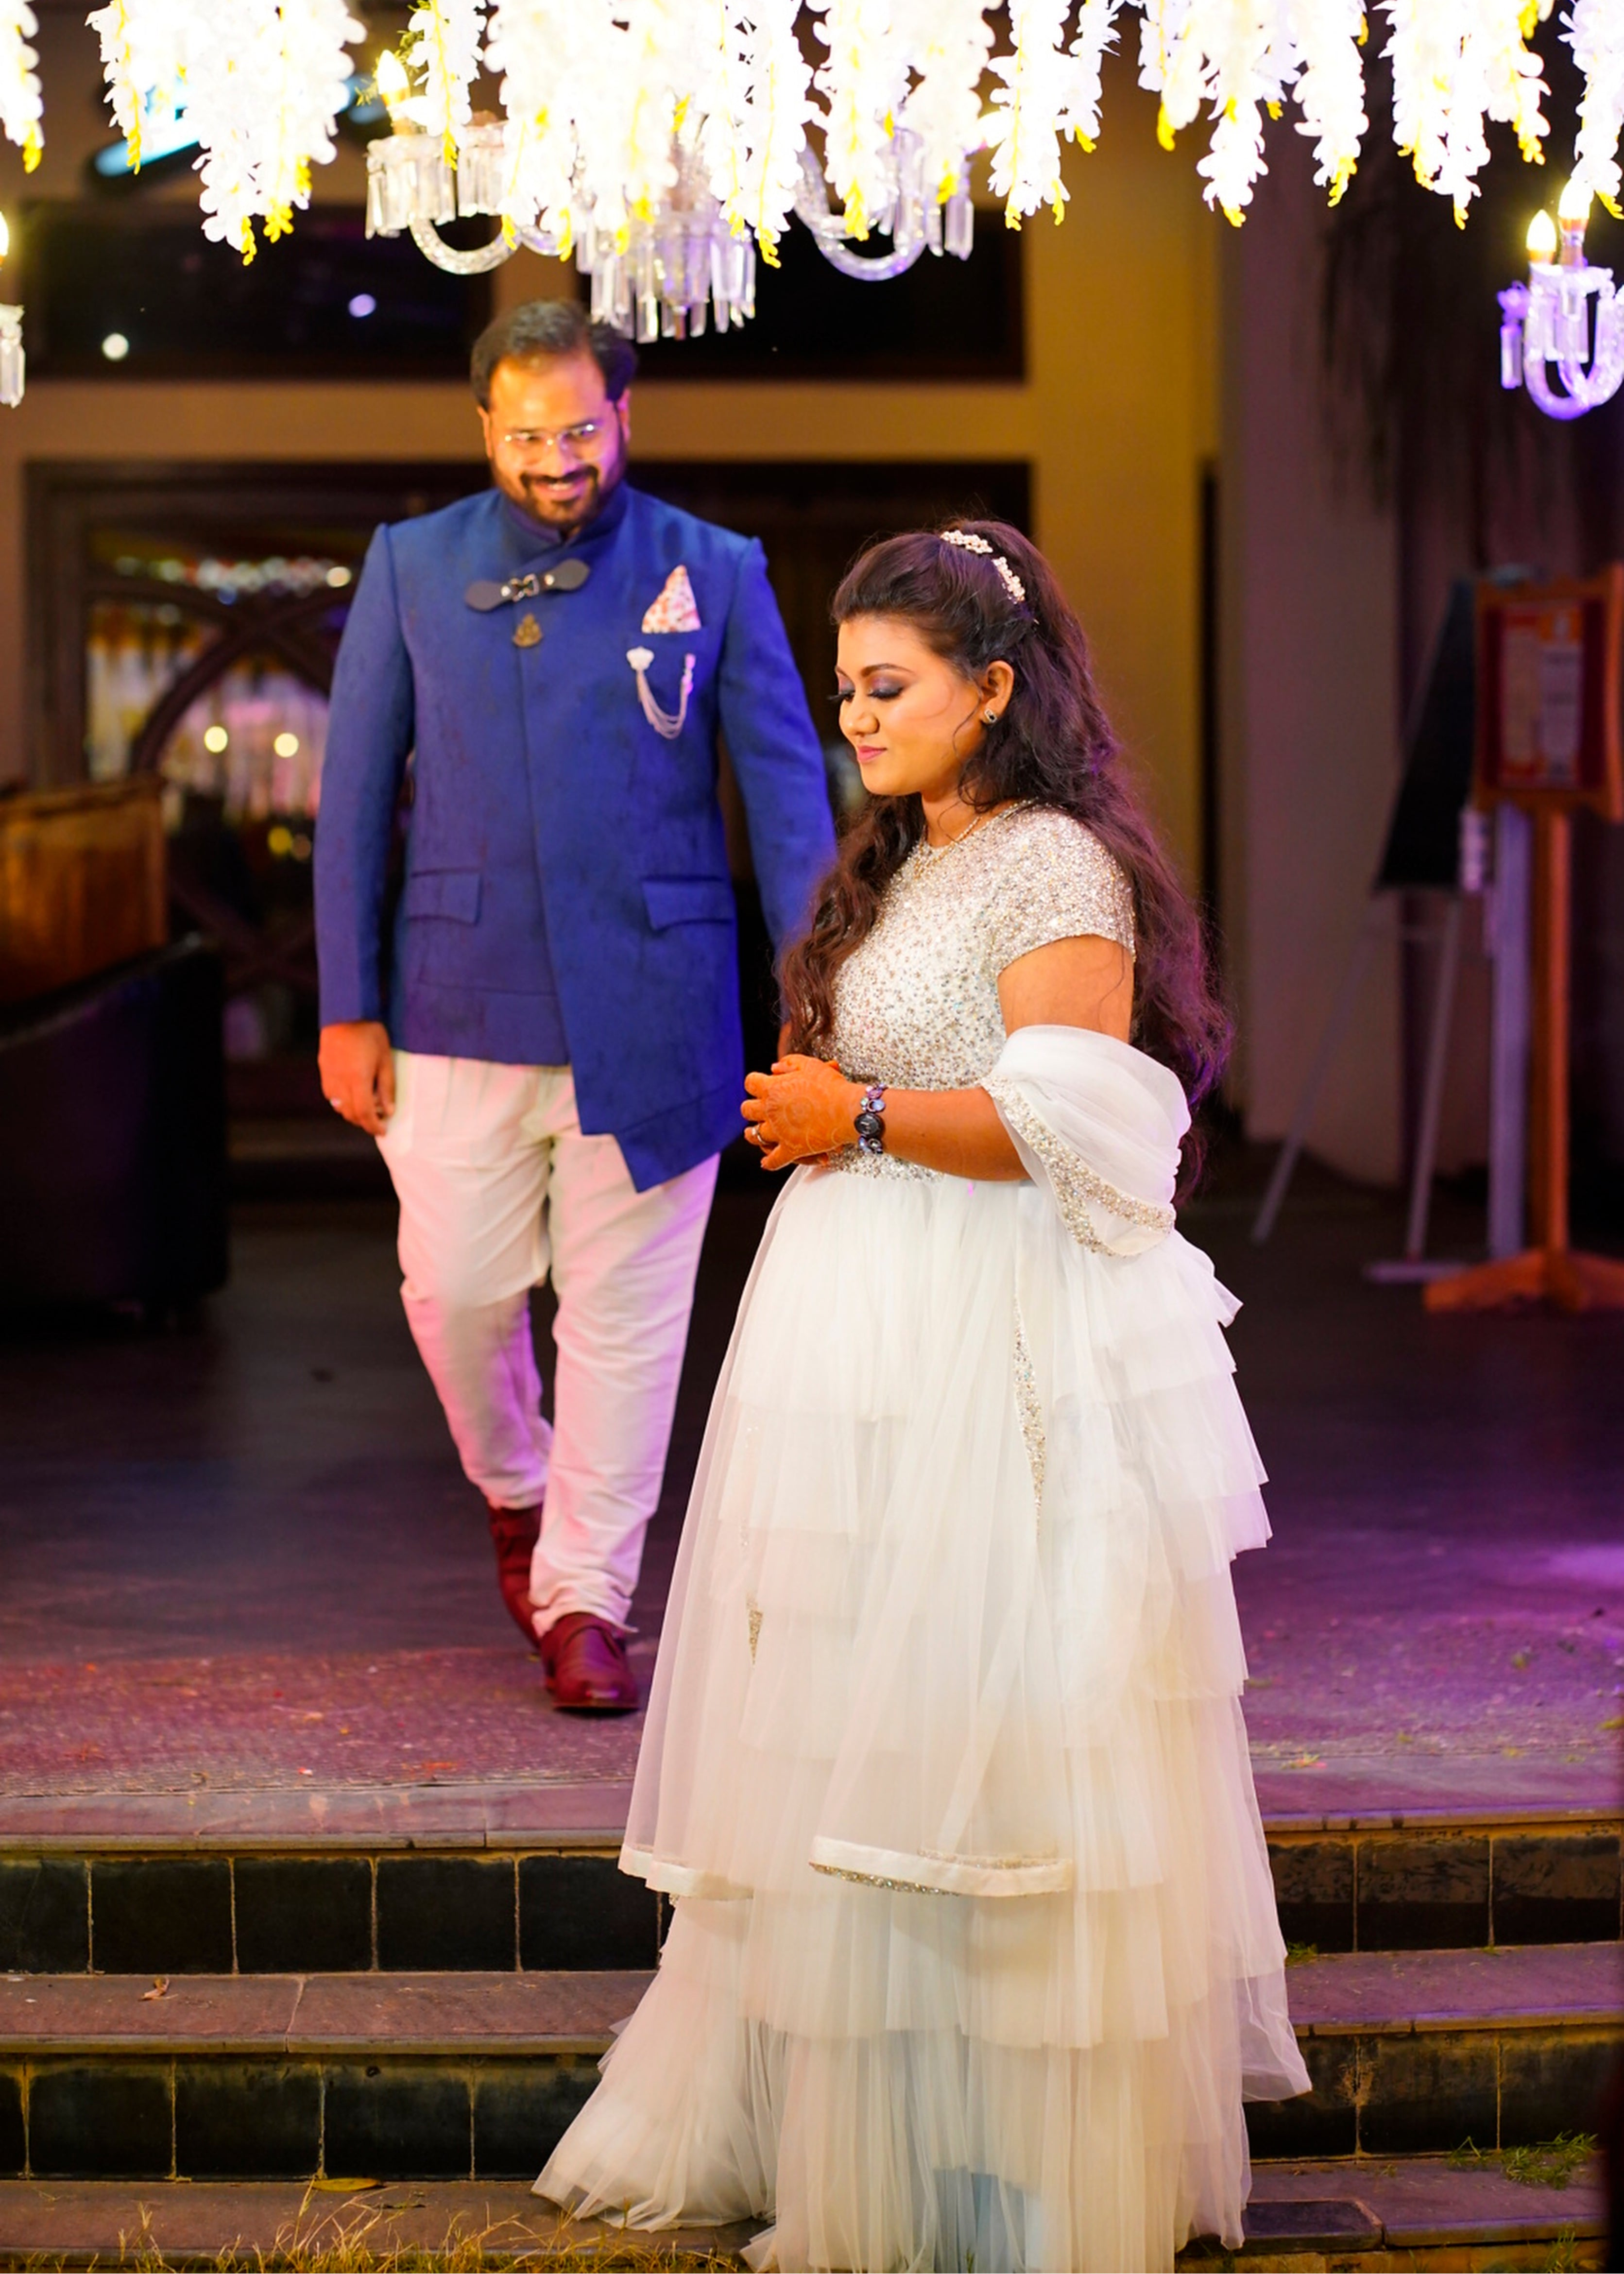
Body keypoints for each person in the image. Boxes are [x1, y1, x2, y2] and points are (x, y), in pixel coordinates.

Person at [535, 521, 1310, 2269]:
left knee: (987, 1720)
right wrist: (832, 1104)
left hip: (988, 1338)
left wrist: (854, 1118)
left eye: (887, 689)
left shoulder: (1053, 870)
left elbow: (1082, 1122)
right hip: (865, 1329)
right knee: (848, 1713)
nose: (855, 719)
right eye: (843, 691)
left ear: (994, 690)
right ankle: (867, 2136)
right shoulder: (903, 858)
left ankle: (1004, 2167)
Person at [314, 301, 835, 1711]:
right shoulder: (413, 567)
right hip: (449, 999)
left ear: (625, 419)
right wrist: (345, 1005)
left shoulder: (712, 571)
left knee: (625, 1322)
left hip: (659, 1007)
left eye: (582, 429)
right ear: (486, 426)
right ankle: (514, 1488)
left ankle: (587, 1598)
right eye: (529, 432)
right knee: (458, 1289)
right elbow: (353, 795)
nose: (558, 458)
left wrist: (815, 999)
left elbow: (789, 801)